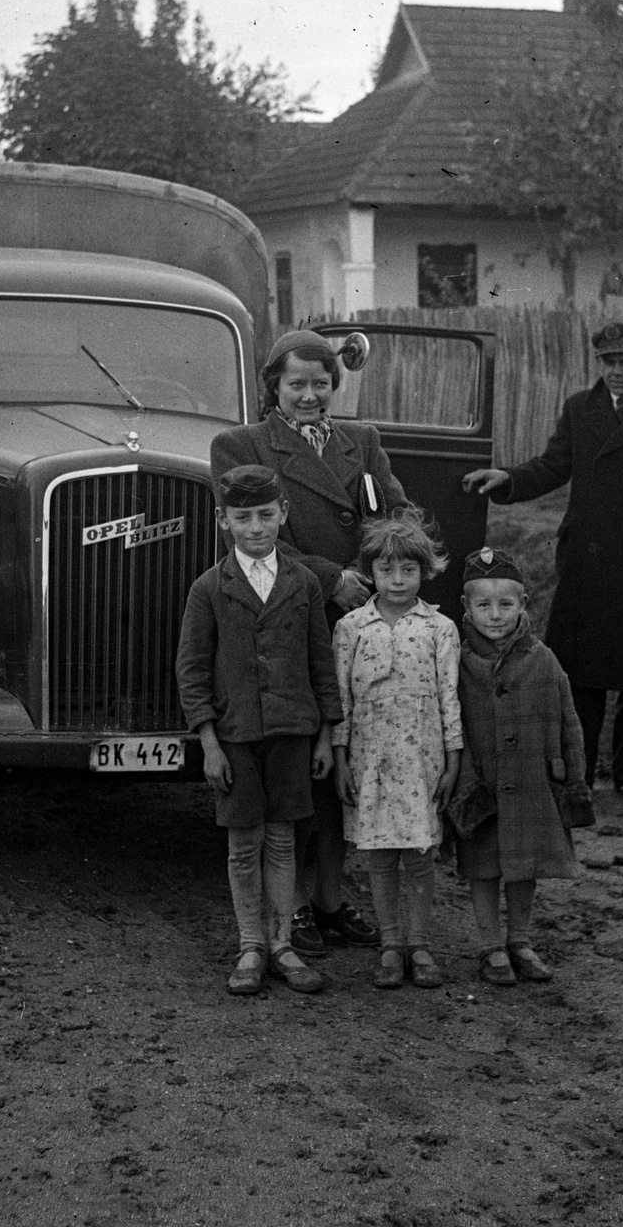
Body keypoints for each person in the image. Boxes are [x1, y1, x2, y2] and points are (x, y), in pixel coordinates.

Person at [211, 328, 407, 957]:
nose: (309, 395)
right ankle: (292, 908)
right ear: (274, 385)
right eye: (296, 383)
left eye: (321, 383)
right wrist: (332, 578)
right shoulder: (240, 445)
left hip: (357, 620)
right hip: (288, 619)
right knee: (297, 764)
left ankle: (329, 898)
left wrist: (378, 572)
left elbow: (395, 513)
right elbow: (255, 538)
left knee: (345, 757)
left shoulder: (362, 440)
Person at [462, 323, 623, 802]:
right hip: (589, 562)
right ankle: (581, 772)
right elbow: (552, 466)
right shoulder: (581, 409)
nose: (617, 371)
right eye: (608, 362)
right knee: (583, 674)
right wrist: (508, 479)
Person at [175, 464, 340, 996]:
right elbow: (192, 670)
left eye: (266, 515)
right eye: (242, 518)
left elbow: (322, 663)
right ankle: (251, 946)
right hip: (235, 735)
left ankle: (282, 944)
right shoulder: (209, 588)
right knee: (243, 845)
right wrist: (209, 743)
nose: (255, 528)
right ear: (223, 521)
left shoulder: (304, 583)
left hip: (292, 733)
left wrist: (324, 735)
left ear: (283, 514)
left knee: (283, 840)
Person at [331, 508, 462, 990]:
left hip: (423, 759)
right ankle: (390, 943)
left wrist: (453, 761)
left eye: (409, 569)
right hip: (370, 760)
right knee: (380, 855)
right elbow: (340, 701)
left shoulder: (439, 628)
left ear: (425, 571)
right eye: (386, 569)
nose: (398, 580)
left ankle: (419, 944)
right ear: (371, 571)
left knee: (420, 854)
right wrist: (341, 759)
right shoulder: (351, 627)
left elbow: (450, 698)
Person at [452, 546, 590, 987]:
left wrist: (573, 777)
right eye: (483, 605)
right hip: (480, 780)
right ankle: (490, 945)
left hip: (532, 780)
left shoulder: (543, 659)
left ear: (523, 604)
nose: (495, 615)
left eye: (506, 604)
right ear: (466, 606)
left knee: (525, 861)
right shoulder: (454, 661)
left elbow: (568, 720)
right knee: (483, 862)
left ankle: (520, 939)